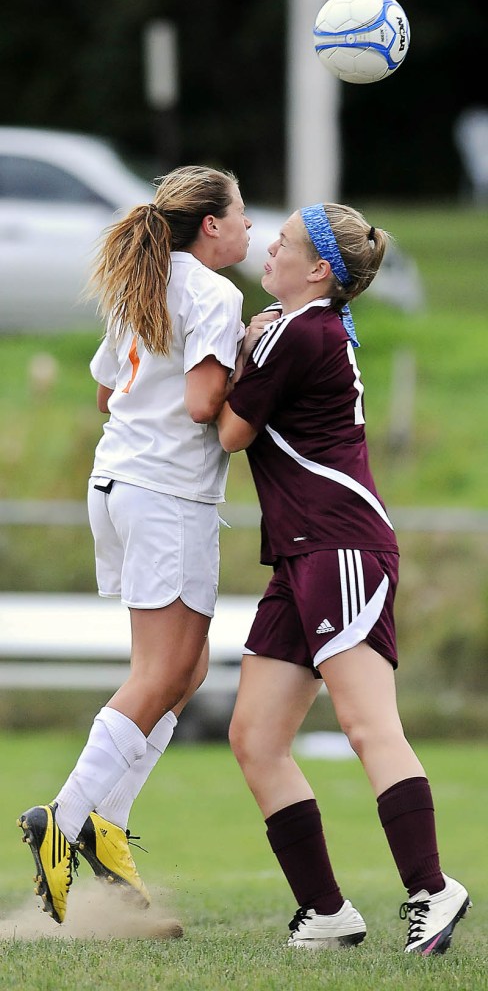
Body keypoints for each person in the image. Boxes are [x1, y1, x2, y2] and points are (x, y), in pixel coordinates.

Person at [217, 201, 471, 955]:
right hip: (301, 551)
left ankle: (433, 889)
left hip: (340, 549)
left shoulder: (300, 329)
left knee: (368, 727)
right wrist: (244, 344)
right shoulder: (292, 325)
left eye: (286, 243)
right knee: (256, 737)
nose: (269, 247)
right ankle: (326, 911)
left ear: (320, 269)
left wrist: (233, 355)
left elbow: (230, 431)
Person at [17, 164, 258, 926]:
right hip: (166, 496)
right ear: (211, 225)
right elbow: (199, 404)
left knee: (180, 672)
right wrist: (257, 363)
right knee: (161, 674)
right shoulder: (215, 294)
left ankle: (102, 822)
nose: (249, 228)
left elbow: (102, 393)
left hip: (119, 484)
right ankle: (62, 819)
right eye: (243, 214)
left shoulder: (144, 279)